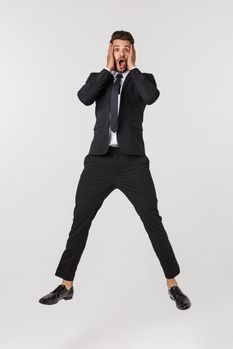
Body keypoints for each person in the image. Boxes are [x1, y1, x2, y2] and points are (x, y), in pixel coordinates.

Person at [39, 30, 191, 310]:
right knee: (80, 220)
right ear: (110, 50)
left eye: (126, 49)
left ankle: (173, 284)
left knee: (152, 221)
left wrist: (132, 69)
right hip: (99, 161)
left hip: (133, 162)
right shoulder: (99, 79)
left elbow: (151, 96)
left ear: (133, 51)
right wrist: (107, 69)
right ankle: (66, 284)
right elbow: (84, 98)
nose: (121, 54)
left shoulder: (142, 80)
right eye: (117, 49)